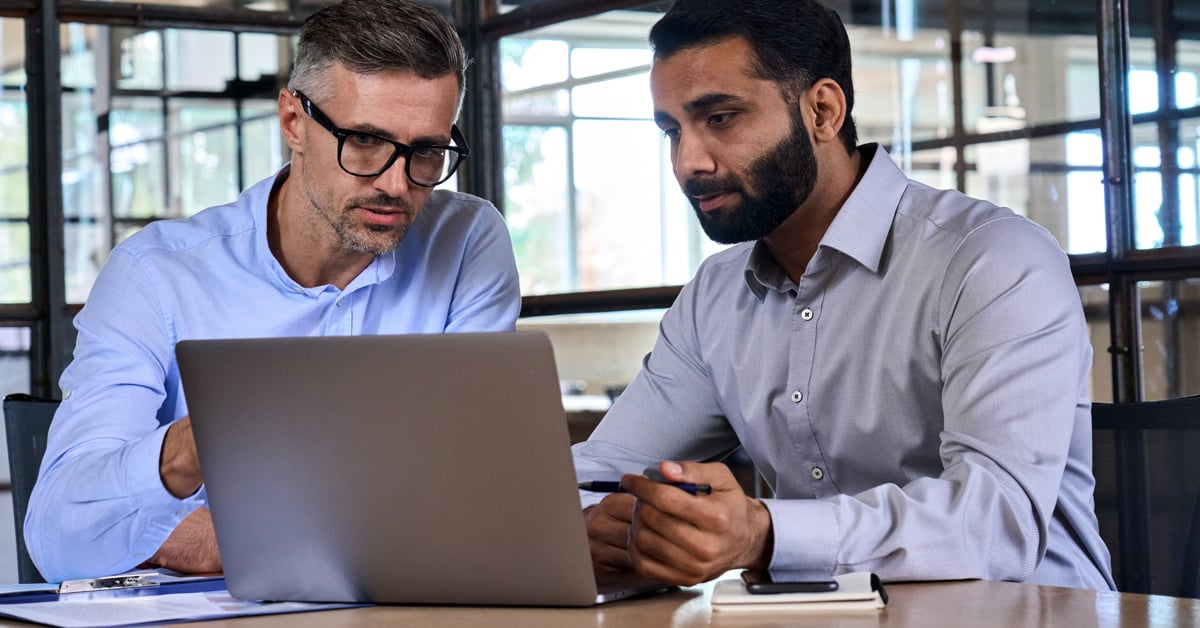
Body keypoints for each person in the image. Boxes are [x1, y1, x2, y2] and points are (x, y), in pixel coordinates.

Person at [573, 0, 1115, 591]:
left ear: (823, 111)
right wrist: (593, 522)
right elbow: (601, 468)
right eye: (672, 131)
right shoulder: (715, 298)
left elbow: (997, 521)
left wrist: (764, 533)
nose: (687, 162)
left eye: (721, 118)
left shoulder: (992, 259)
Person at [28, 0, 520, 582]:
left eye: (427, 152)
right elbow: (56, 535)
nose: (395, 184)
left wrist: (233, 533)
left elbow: (469, 495)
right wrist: (183, 454)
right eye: (364, 140)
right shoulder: (154, 275)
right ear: (293, 122)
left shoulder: (466, 241)